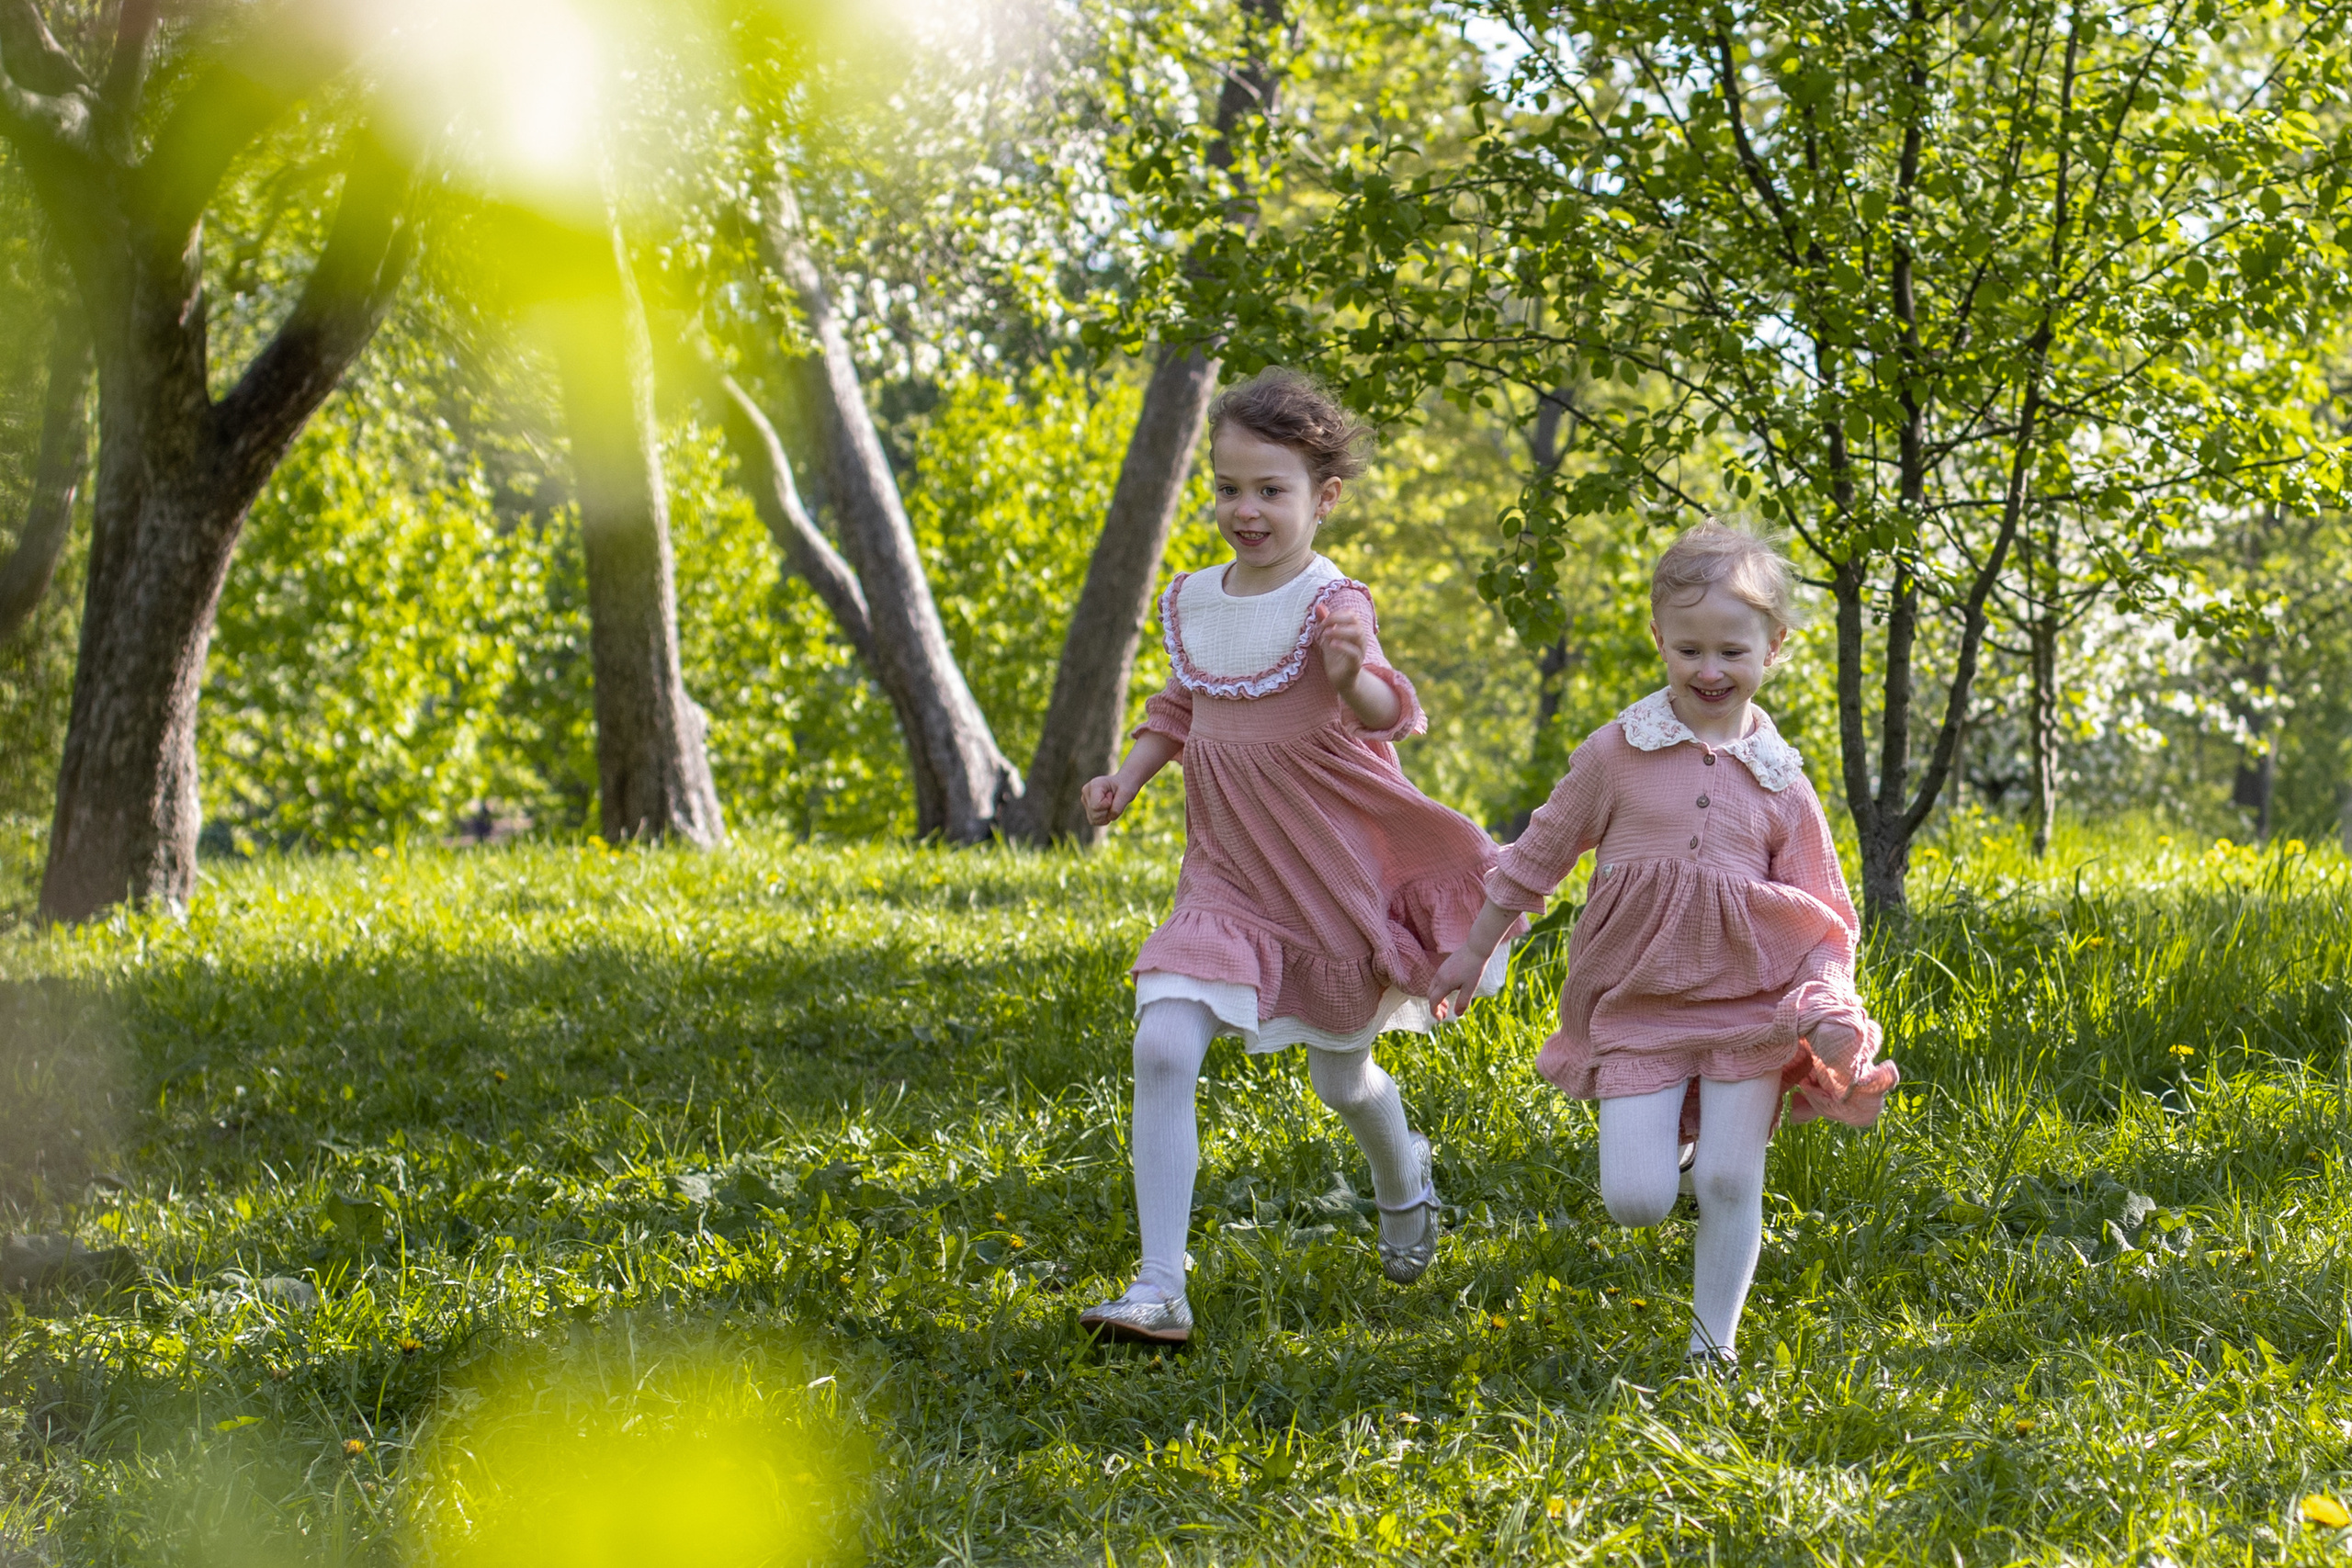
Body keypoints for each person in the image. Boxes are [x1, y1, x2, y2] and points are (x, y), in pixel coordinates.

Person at [1076, 368, 1517, 1346]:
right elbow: (1184, 705)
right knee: (1161, 1043)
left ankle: (1404, 1183)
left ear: (1324, 498)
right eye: (1229, 487)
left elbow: (1390, 710)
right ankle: (1159, 1285)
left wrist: (1352, 673)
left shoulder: (1332, 600)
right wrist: (1131, 776)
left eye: (1270, 490)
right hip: (1226, 874)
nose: (1245, 510)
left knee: (1340, 1075)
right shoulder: (1195, 600)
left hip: (1325, 874)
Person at [1427, 522, 1898, 1379]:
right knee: (1636, 1199)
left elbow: (1826, 916)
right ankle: (1675, 1147)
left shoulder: (1780, 779)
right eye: (1689, 649)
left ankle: (1713, 1346)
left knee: (1729, 1181)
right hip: (1638, 1000)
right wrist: (1472, 951)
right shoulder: (1616, 755)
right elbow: (1537, 855)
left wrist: (1830, 1009)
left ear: (1774, 647)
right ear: (1659, 641)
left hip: (1750, 1005)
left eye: (1731, 650)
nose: (1709, 670)